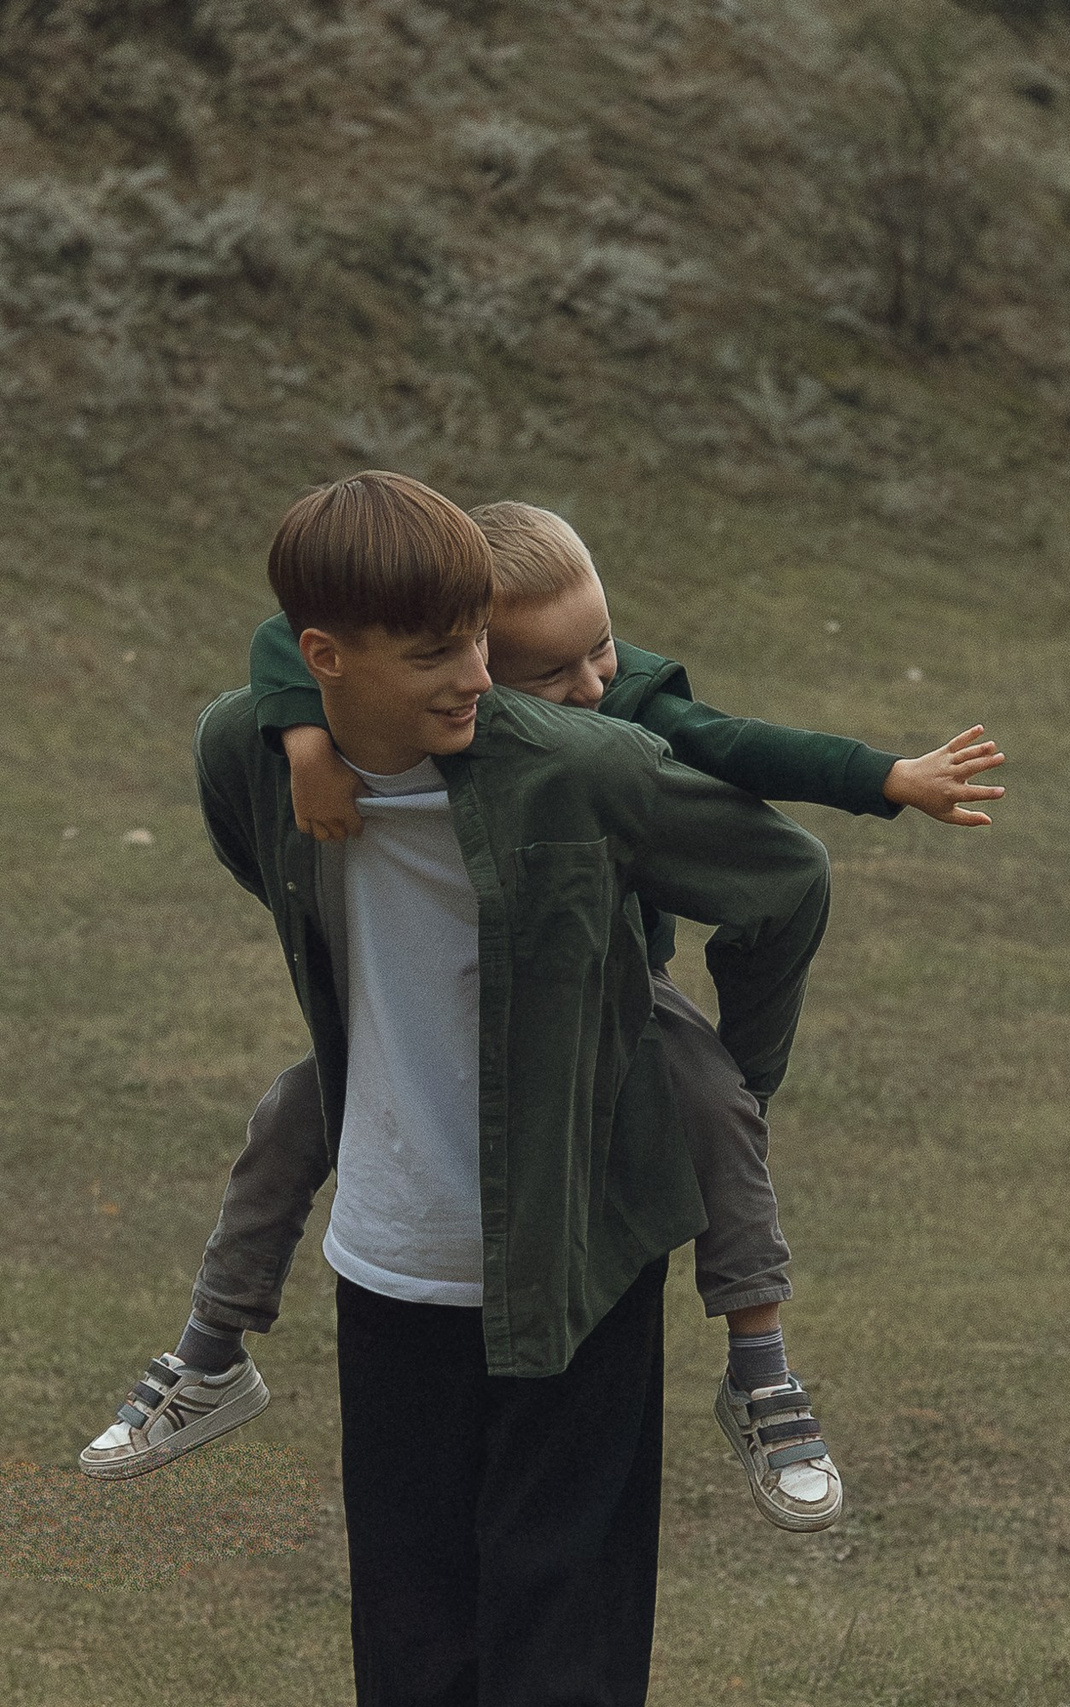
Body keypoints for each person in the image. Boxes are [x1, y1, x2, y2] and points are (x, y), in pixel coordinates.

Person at [81, 500, 1005, 1535]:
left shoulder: (615, 720)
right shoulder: (415, 704)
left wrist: (883, 779)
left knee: (718, 1103)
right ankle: (211, 1353)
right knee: (289, 1118)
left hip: (616, 997)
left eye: (600, 648)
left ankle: (760, 1370)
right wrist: (303, 741)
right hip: (426, 1019)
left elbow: (742, 755)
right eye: (549, 673)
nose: (593, 685)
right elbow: (285, 637)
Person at [156, 471, 834, 1701]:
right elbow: (270, 824)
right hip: (388, 1263)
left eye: (480, 643)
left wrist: (730, 1078)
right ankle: (209, 1355)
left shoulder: (585, 767)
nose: (474, 674)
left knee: (562, 1649)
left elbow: (784, 879)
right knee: (410, 1646)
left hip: (583, 1257)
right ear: (325, 660)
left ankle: (764, 1366)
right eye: (435, 652)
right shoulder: (252, 752)